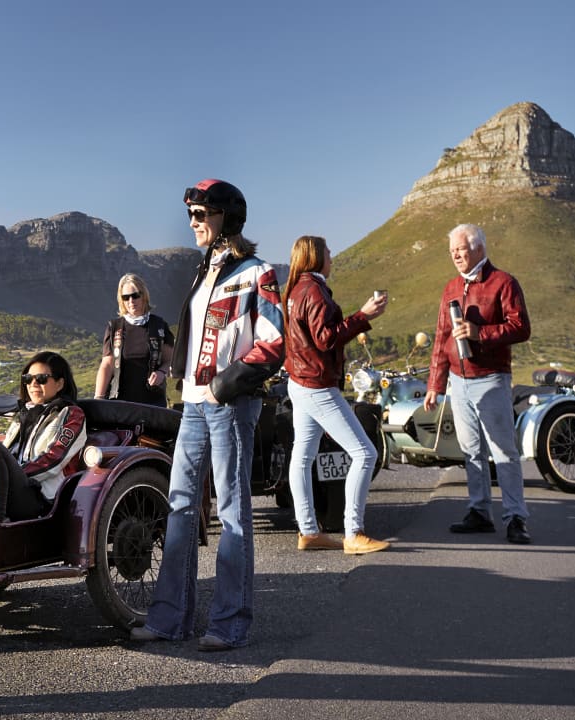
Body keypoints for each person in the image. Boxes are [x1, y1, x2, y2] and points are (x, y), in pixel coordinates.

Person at [130, 179, 284, 651]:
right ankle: (169, 618)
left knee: (234, 513)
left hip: (230, 404)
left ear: (226, 219)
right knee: (179, 507)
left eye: (201, 214)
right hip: (193, 404)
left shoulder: (257, 273)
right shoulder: (204, 272)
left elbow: (275, 343)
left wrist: (225, 384)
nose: (193, 222)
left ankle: (230, 623)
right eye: (191, 215)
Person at [424, 223, 533, 544]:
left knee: (503, 452)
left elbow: (521, 327)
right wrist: (435, 384)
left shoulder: (504, 283)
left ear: (479, 249)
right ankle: (480, 511)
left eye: (461, 249)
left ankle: (516, 517)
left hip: (492, 379)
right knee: (471, 451)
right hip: (458, 382)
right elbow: (442, 337)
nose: (456, 255)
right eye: (452, 252)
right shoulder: (450, 288)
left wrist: (479, 334)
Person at [282, 235, 390, 554]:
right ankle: (353, 533)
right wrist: (363, 315)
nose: (333, 255)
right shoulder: (313, 291)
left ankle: (309, 531)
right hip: (317, 385)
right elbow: (327, 339)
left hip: (298, 381)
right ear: (315, 257)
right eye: (328, 251)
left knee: (302, 457)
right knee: (365, 453)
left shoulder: (295, 289)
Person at [0, 351, 88, 520]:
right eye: (28, 379)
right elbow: (8, 450)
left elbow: (54, 459)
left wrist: (14, 475)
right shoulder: (23, 414)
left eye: (41, 378)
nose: (33, 384)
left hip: (43, 495)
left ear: (60, 384)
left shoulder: (71, 415)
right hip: (16, 486)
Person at [93, 273, 175, 406]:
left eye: (135, 295)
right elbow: (107, 365)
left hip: (153, 403)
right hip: (119, 403)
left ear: (144, 296)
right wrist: (98, 399)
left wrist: (161, 372)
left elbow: (170, 360)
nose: (131, 301)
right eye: (126, 297)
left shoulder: (159, 325)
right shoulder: (114, 327)